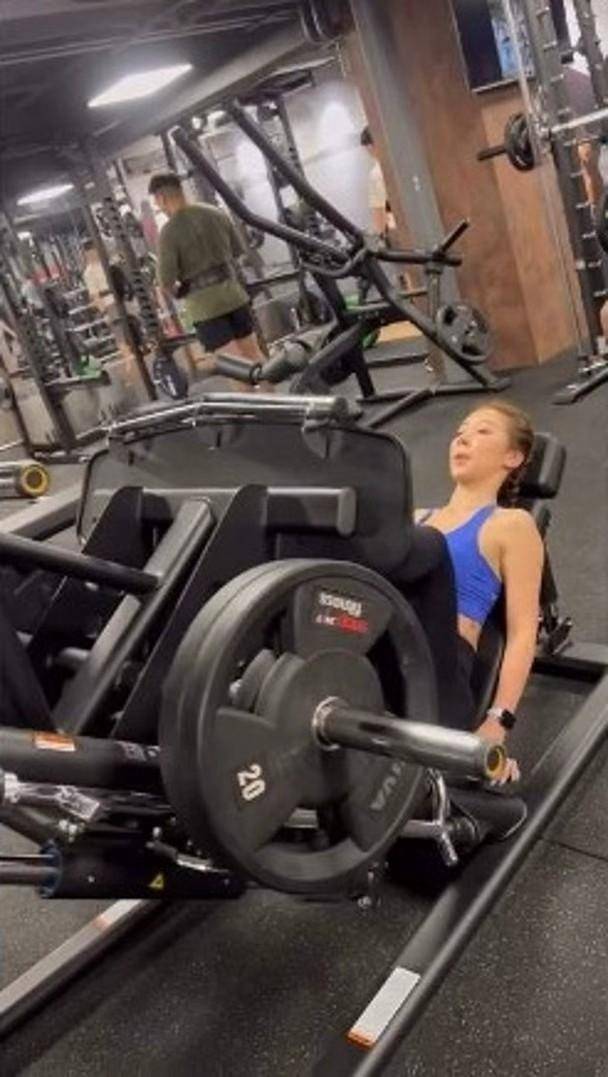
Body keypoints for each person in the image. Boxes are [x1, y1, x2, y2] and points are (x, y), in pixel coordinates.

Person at [392, 400, 544, 783]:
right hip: (384, 650)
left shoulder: (511, 524)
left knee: (428, 547)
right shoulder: (415, 518)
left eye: (482, 431)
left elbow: (524, 632)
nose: (462, 438)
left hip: (438, 670)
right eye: (460, 431)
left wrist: (498, 721)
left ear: (512, 457)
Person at [148, 172, 264, 378]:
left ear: (161, 198)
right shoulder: (216, 213)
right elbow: (238, 251)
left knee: (235, 368)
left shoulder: (168, 232)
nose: (159, 206)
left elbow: (165, 281)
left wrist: (178, 292)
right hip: (235, 297)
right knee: (255, 357)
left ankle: (249, 401)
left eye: (157, 202)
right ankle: (273, 397)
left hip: (205, 308)